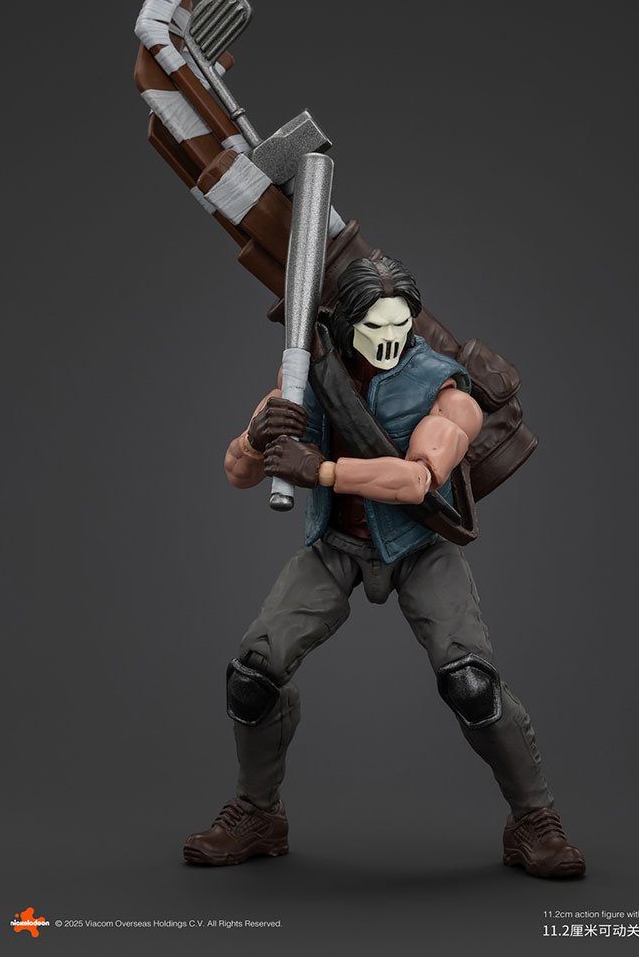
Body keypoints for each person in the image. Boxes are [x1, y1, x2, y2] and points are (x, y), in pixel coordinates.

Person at [183, 256, 585, 879]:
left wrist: (320, 471)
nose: (391, 339)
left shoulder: (447, 391)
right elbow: (238, 474)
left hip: (420, 547)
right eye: (375, 327)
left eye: (401, 324)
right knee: (252, 676)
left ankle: (533, 820)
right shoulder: (308, 371)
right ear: (346, 325)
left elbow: (419, 480)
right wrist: (255, 438)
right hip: (336, 547)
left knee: (471, 684)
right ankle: (258, 813)